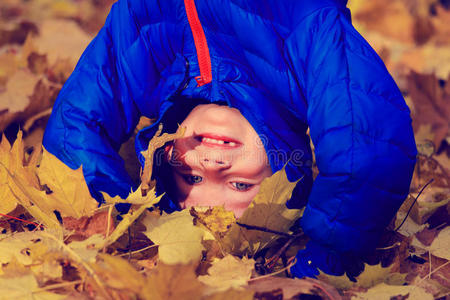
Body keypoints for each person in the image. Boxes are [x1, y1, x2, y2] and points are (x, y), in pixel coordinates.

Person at [42, 0, 417, 280]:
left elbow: (74, 126)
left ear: (162, 153)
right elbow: (366, 151)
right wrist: (328, 255)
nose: (211, 165)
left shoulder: (140, 24)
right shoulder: (308, 28)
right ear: (286, 171)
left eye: (191, 180)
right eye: (239, 184)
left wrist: (117, 218)